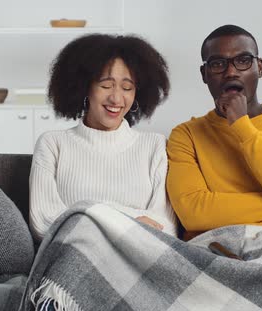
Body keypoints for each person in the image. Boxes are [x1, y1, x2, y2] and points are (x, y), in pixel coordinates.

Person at [166, 25, 262, 240]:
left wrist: (242, 126)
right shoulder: (186, 135)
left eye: (243, 61)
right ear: (204, 74)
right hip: (210, 245)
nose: (231, 72)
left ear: (259, 67)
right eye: (218, 64)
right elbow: (193, 213)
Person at [29, 34, 177, 243]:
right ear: (84, 87)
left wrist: (83, 215)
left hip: (137, 261)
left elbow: (165, 228)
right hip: (75, 259)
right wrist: (132, 219)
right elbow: (44, 223)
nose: (116, 98)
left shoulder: (154, 145)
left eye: (127, 88)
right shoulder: (53, 144)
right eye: (106, 86)